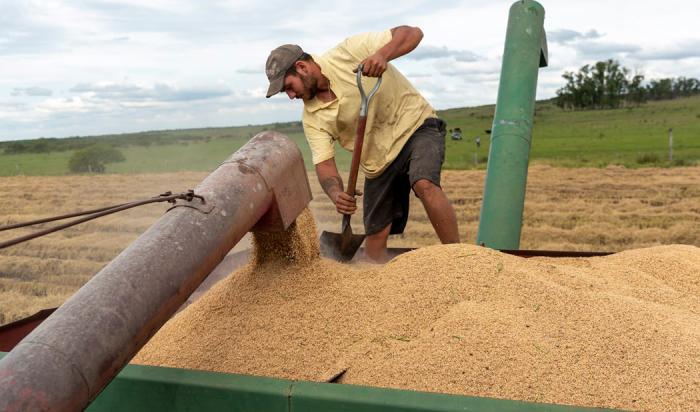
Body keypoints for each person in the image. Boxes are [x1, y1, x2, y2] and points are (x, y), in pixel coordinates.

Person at [264, 26, 459, 262]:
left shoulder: (348, 52)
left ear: (302, 67)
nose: (291, 96)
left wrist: (382, 55)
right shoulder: (312, 118)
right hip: (378, 162)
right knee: (375, 241)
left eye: (288, 87)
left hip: (416, 125)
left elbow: (412, 33)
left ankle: (459, 259)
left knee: (424, 183)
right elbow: (324, 164)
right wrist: (336, 193)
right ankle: (382, 286)